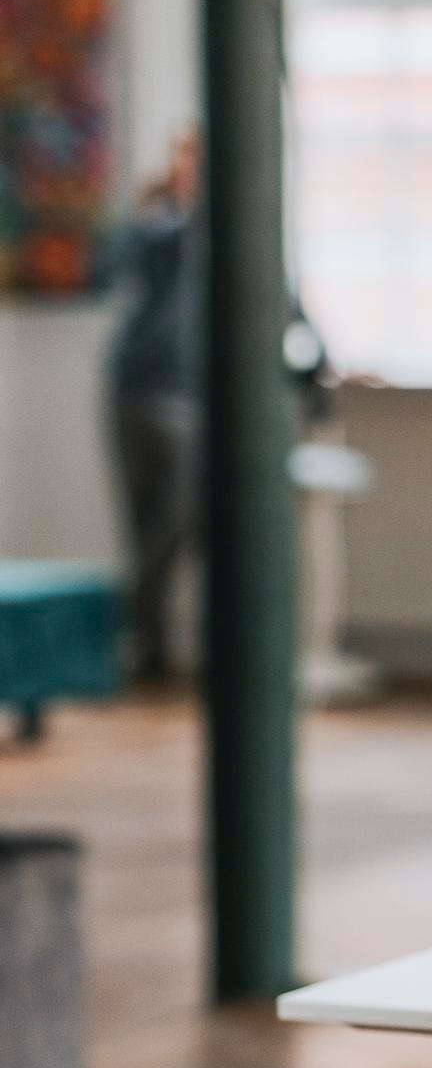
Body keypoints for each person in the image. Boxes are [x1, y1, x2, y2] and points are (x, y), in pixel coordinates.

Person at [101, 128, 202, 682]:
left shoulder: (239, 223)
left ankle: (152, 645)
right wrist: (164, 206)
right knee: (146, 524)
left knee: (179, 521)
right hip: (140, 386)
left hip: (195, 394)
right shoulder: (153, 224)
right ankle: (145, 648)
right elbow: (109, 269)